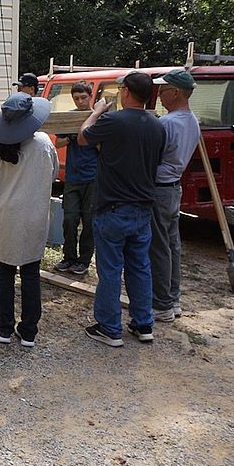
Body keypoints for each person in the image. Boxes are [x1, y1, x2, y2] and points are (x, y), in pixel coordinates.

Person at [78, 71, 165, 347]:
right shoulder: (157, 126)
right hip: (142, 209)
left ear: (126, 91)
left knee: (111, 269)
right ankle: (143, 324)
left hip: (113, 208)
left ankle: (109, 327)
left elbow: (83, 137)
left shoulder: (114, 120)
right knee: (140, 267)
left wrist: (98, 111)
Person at [0, 93, 58, 348]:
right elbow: (53, 174)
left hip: (4, 218)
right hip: (34, 217)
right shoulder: (44, 144)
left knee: (4, 273)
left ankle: (3, 329)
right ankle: (29, 332)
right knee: (31, 273)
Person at [149, 69, 200, 322]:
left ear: (176, 92)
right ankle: (172, 299)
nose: (159, 95)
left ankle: (161, 304)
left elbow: (152, 158)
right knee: (171, 245)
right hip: (173, 188)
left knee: (158, 246)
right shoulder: (191, 120)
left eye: (163, 90)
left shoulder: (167, 123)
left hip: (160, 189)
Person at [53, 82, 98, 275]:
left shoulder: (98, 117)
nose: (80, 101)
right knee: (69, 219)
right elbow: (59, 143)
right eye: (76, 98)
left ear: (90, 97)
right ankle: (68, 257)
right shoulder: (70, 117)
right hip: (72, 177)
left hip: (93, 178)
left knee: (89, 221)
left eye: (83, 98)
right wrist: (72, 136)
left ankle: (84, 260)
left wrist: (89, 134)